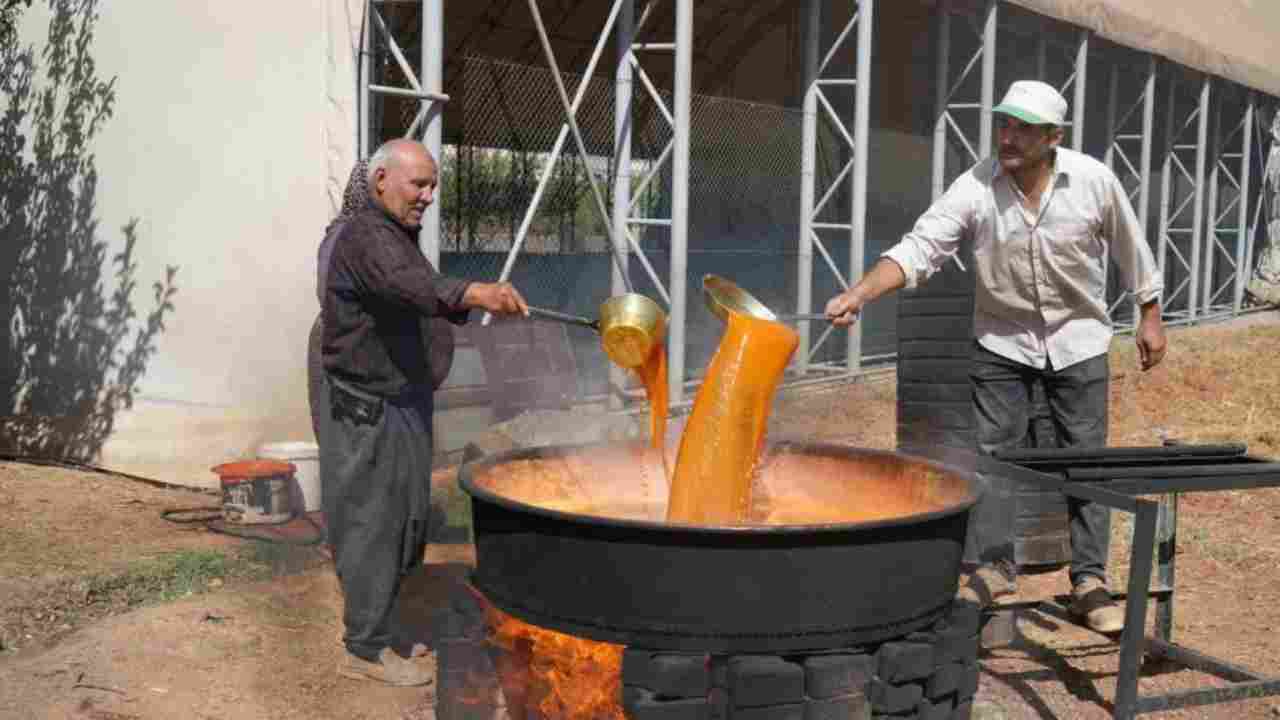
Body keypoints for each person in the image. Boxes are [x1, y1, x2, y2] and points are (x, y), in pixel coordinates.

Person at [824, 80, 1168, 634]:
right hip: (1002, 341)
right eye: (1004, 124)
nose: (1008, 137)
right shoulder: (977, 186)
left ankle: (1089, 580)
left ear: (1053, 137)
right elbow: (921, 246)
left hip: (1078, 340)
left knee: (1085, 460)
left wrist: (1149, 314)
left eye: (1023, 128)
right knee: (993, 458)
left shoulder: (1093, 182)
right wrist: (859, 294)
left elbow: (1132, 247)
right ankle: (994, 567)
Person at [320, 138, 529, 685]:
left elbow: (412, 297)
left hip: (402, 399)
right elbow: (408, 286)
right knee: (376, 522)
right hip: (372, 407)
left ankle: (382, 621)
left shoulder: (393, 232)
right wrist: (476, 292)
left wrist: (468, 304)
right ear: (382, 178)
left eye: (433, 185)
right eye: (419, 184)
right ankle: (363, 649)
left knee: (408, 519)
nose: (429, 196)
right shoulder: (366, 234)